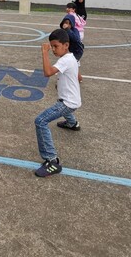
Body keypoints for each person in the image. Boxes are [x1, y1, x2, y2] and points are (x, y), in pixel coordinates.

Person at [34, 28, 82, 178]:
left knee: (40, 121)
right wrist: (63, 82)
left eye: (55, 46)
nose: (53, 49)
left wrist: (44, 53)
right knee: (63, 104)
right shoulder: (72, 58)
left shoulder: (65, 60)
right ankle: (72, 123)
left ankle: (52, 160)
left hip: (68, 102)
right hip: (73, 100)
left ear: (66, 45)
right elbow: (79, 76)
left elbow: (47, 72)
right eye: (51, 46)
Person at [60, 14, 84, 83]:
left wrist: (68, 30)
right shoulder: (63, 31)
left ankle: (78, 78)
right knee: (72, 65)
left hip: (77, 51)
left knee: (70, 65)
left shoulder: (74, 31)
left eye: (69, 23)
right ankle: (78, 78)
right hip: (69, 51)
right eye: (65, 22)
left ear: (72, 24)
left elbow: (76, 39)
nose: (66, 25)